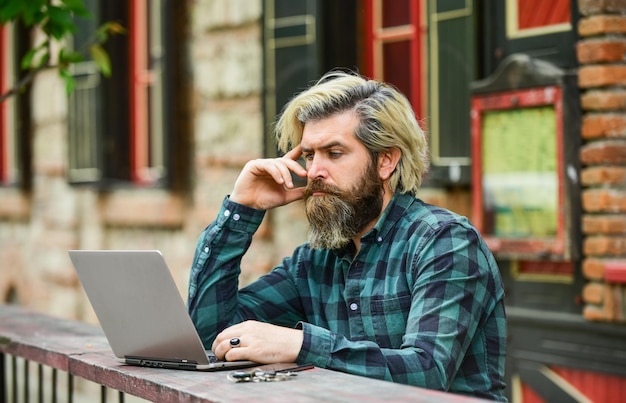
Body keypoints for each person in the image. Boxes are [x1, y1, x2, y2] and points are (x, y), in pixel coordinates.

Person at [187, 70, 507, 400]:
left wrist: (300, 344)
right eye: (310, 155)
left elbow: (427, 372)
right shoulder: (314, 260)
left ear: (385, 161)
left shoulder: (444, 242)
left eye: (334, 153)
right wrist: (243, 209)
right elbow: (211, 335)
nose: (314, 172)